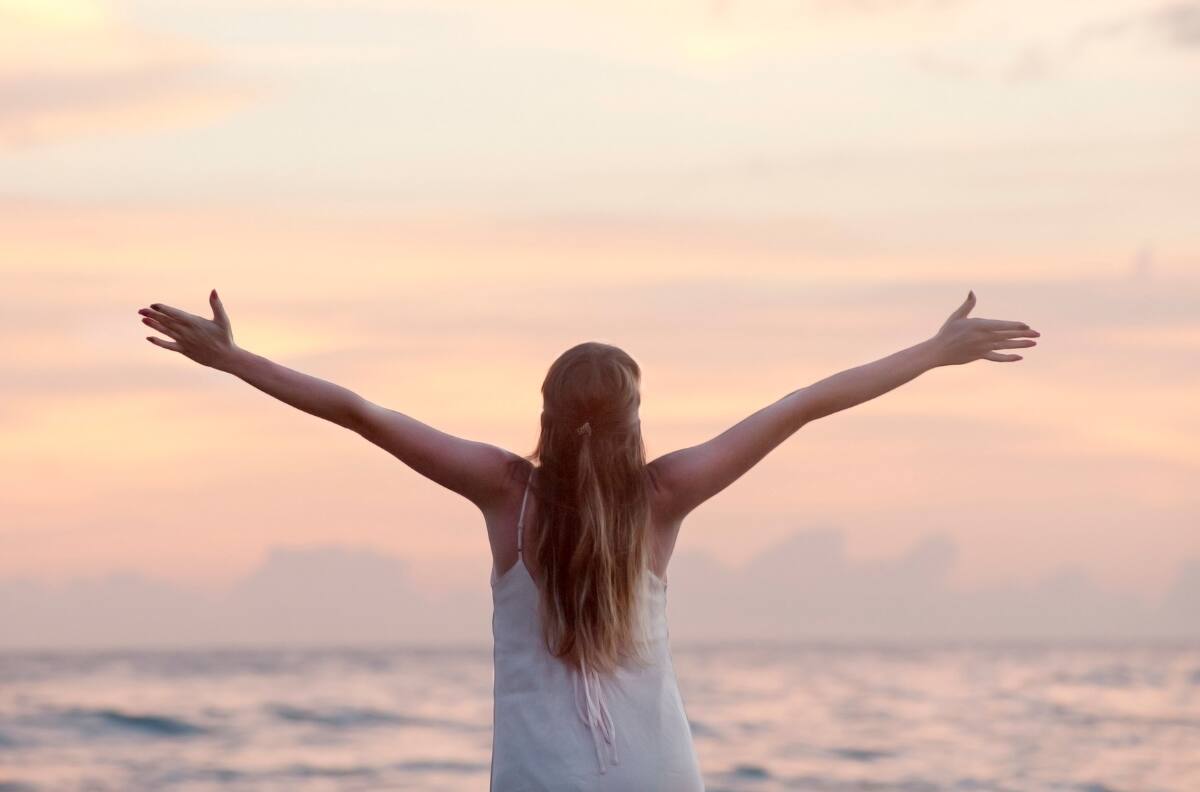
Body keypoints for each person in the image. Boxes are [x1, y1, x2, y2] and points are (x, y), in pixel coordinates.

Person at [137, 288, 1039, 791]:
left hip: (540, 777)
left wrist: (234, 360)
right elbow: (803, 404)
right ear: (634, 419)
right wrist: (931, 351)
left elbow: (359, 413)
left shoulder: (503, 492)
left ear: (547, 410)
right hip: (659, 772)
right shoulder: (667, 493)